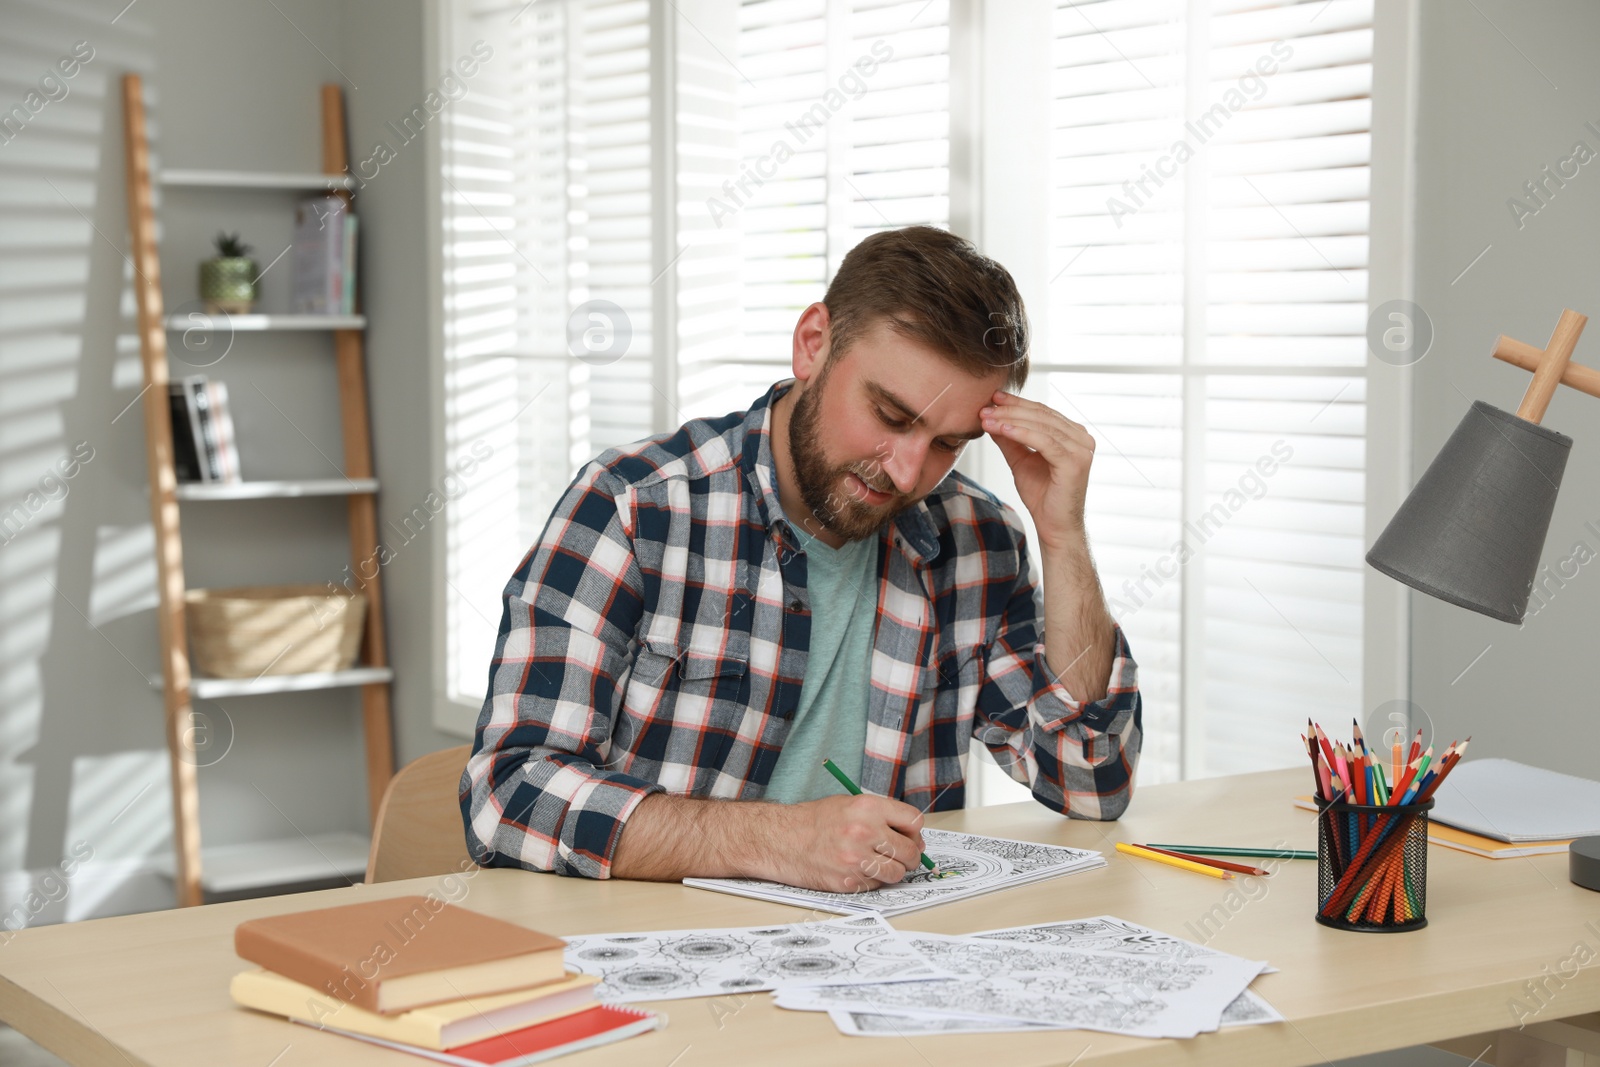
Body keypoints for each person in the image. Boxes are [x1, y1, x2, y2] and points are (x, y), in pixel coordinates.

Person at [460, 225, 1141, 894]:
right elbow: (509, 795)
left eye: (947, 444)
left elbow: (1090, 776)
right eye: (891, 415)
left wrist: (1063, 537)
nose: (907, 473)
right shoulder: (635, 509)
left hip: (886, 967)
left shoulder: (976, 540)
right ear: (813, 344)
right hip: (655, 953)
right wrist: (780, 841)